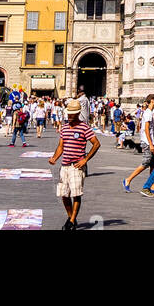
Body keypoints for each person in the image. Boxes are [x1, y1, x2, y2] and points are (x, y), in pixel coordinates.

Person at [49, 98, 100, 230]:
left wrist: (85, 159)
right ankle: (72, 217)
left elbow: (96, 143)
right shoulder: (65, 128)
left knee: (76, 194)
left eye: (72, 114)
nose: (69, 116)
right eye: (68, 114)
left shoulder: (84, 127)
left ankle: (71, 221)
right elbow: (61, 146)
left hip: (77, 166)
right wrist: (54, 157)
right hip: (65, 165)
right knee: (64, 195)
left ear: (77, 113)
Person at [124, 92, 154, 192]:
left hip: (148, 141)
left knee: (153, 164)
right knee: (146, 163)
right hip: (147, 142)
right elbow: (146, 129)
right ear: (152, 100)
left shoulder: (149, 112)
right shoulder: (148, 113)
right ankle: (128, 179)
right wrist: (151, 144)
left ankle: (152, 186)